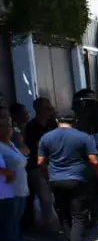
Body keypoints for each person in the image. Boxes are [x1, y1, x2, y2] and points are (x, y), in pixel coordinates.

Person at [38, 110, 98, 241]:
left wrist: (49, 175)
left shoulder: (46, 137)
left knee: (64, 215)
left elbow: (41, 162)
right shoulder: (83, 137)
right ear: (75, 121)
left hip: (56, 181)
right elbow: (94, 161)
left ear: (56, 120)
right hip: (77, 180)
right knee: (78, 216)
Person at [21, 97, 58, 232]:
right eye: (47, 108)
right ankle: (53, 228)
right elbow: (33, 149)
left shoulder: (52, 124)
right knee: (46, 198)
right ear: (39, 110)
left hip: (55, 165)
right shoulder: (31, 127)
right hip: (38, 167)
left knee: (56, 197)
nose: (51, 110)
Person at [0, 112, 31, 241]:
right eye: (2, 126)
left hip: (20, 187)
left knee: (16, 220)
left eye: (9, 126)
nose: (7, 129)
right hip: (7, 189)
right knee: (8, 222)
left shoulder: (12, 144)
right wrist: (6, 171)